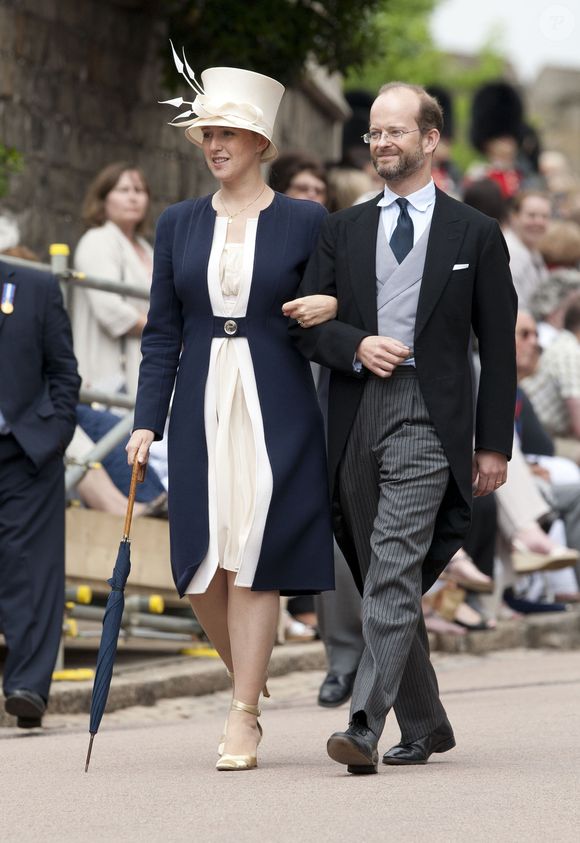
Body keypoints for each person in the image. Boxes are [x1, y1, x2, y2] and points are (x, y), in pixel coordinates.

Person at [290, 82, 517, 774]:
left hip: (431, 413)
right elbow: (308, 329)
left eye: (396, 132)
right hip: (357, 412)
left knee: (391, 562)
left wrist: (491, 444)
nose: (383, 143)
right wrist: (356, 343)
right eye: (375, 134)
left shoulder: (474, 234)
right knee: (376, 570)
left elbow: (498, 346)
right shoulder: (343, 229)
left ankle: (363, 721)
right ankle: (427, 720)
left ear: (430, 140)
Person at [126, 61, 335, 771]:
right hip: (199, 403)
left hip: (276, 400)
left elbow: (344, 299)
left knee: (255, 555)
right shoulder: (178, 222)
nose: (215, 144)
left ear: (259, 144)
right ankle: (250, 667)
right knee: (199, 565)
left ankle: (243, 711)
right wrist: (145, 419)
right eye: (208, 134)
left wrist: (332, 306)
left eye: (230, 133)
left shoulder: (307, 219)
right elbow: (161, 332)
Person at [0, 255, 80, 727]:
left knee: (31, 568)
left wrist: (53, 435)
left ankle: (28, 687)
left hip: (25, 450)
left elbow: (64, 371)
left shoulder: (33, 286)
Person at [72, 162, 153, 398]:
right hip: (106, 375)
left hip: (144, 371)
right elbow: (110, 309)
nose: (133, 198)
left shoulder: (147, 249)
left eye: (139, 191)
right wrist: (166, 332)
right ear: (103, 199)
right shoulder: (97, 240)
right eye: (123, 190)